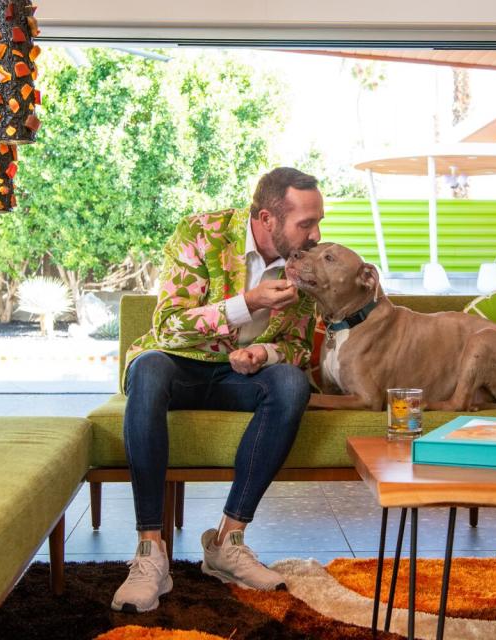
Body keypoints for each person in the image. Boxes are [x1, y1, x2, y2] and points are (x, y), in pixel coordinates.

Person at [112, 167, 324, 613]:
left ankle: (228, 542)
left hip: (239, 379)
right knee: (148, 369)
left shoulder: (305, 263)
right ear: (267, 218)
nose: (315, 234)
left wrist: (263, 356)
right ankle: (151, 553)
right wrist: (249, 303)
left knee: (289, 381)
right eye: (305, 223)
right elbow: (169, 325)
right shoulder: (202, 233)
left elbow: (299, 347)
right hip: (179, 365)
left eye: (317, 221)